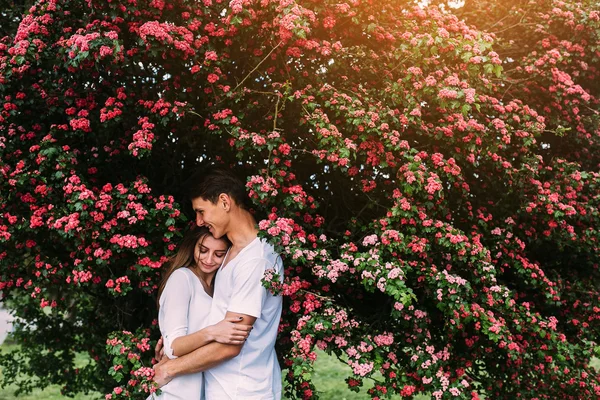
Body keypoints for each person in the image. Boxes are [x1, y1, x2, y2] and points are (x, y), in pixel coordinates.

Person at [153, 169, 284, 400]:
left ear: (224, 201)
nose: (199, 221)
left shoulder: (255, 260)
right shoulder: (231, 253)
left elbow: (231, 345)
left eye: (201, 211)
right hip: (221, 388)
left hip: (242, 391)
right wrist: (177, 341)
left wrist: (169, 367)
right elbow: (218, 316)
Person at [150, 226, 252, 400]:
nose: (208, 259)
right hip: (177, 391)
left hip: (206, 388)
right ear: (193, 247)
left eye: (219, 254)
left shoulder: (218, 288)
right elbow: (173, 348)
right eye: (203, 250)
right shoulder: (182, 279)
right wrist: (213, 332)